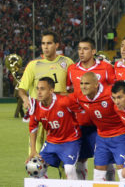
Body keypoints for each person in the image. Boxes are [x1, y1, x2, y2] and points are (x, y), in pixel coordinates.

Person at [19, 30, 74, 178]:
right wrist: (25, 98)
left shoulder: (67, 63)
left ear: (57, 45)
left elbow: (74, 87)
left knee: (66, 165)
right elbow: (22, 89)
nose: (45, 47)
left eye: (49, 43)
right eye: (43, 44)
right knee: (36, 161)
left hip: (61, 119)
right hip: (40, 117)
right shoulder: (33, 65)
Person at [66, 37, 116, 180]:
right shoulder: (72, 69)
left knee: (107, 162)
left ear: (93, 51)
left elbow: (115, 91)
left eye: (85, 49)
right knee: (81, 160)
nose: (81, 52)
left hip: (102, 123)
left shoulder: (106, 68)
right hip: (80, 122)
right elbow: (69, 92)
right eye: (79, 49)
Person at [67, 72, 125, 181]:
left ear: (96, 84)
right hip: (101, 137)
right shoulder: (79, 95)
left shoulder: (110, 93)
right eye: (81, 83)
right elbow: (64, 101)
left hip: (120, 135)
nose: (83, 86)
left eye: (87, 83)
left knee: (123, 172)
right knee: (98, 173)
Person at [26, 77, 81, 180]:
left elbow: (82, 109)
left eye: (42, 89)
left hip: (70, 141)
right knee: (35, 168)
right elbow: (33, 128)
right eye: (37, 89)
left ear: (51, 90)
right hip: (51, 143)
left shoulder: (64, 101)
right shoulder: (36, 107)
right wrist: (33, 150)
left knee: (69, 169)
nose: (39, 92)